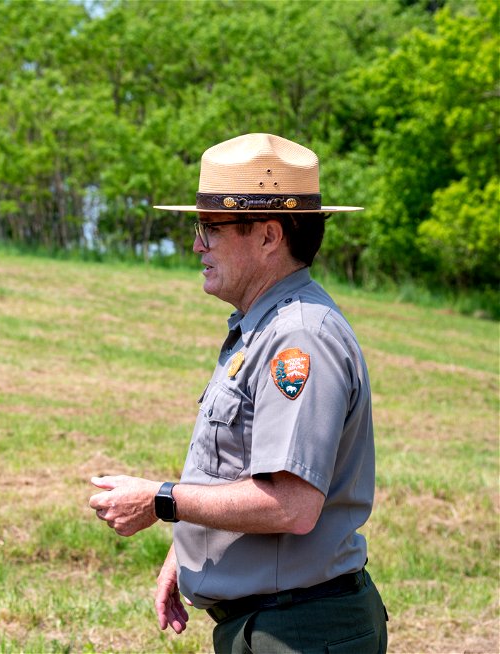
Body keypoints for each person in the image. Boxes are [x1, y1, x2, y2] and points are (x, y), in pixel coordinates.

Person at [88, 133, 387, 653]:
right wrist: (185, 553)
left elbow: (292, 505)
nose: (197, 245)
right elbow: (238, 466)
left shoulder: (298, 337)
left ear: (270, 236)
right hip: (274, 623)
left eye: (211, 228)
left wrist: (162, 501)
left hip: (298, 630)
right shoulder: (262, 326)